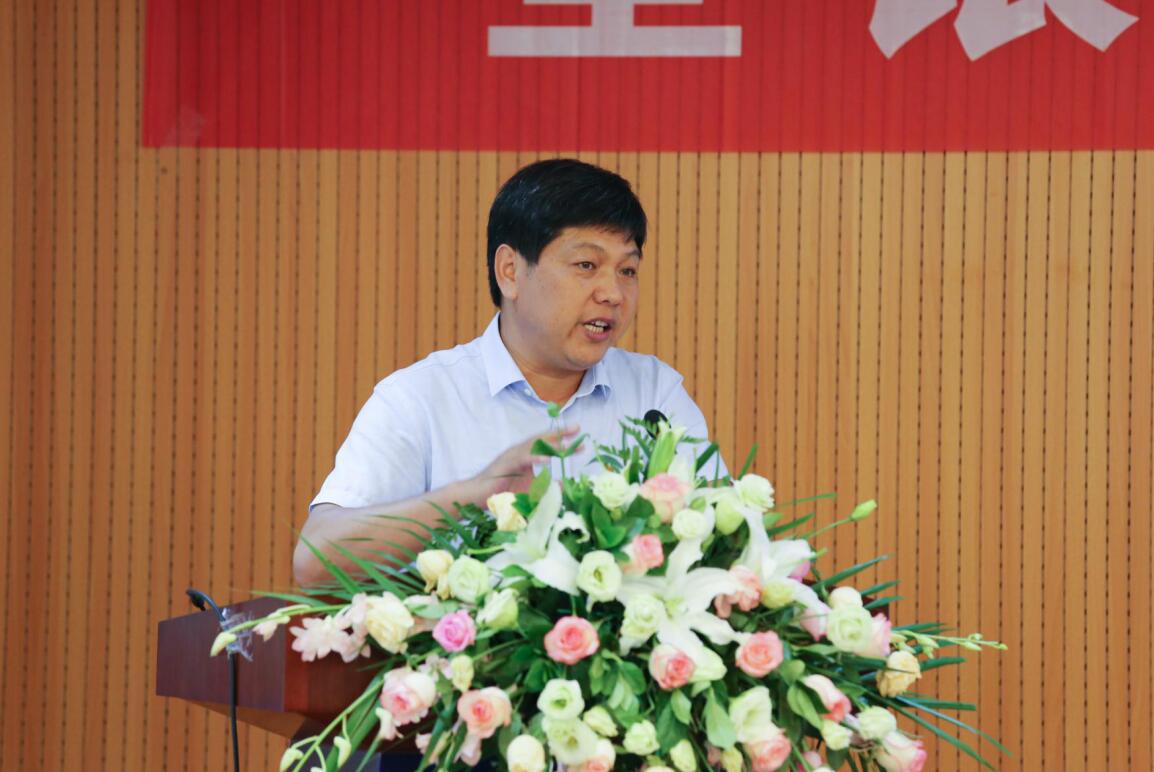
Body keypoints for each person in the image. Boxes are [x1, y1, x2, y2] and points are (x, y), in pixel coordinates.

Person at [294, 158, 724, 588]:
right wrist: (470, 497)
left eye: (627, 270)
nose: (613, 293)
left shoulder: (654, 397)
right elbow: (315, 562)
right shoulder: (421, 398)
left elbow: (727, 541)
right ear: (510, 272)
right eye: (586, 266)